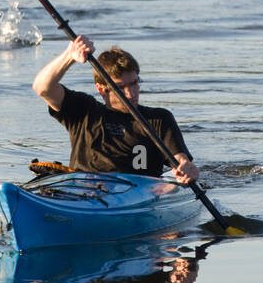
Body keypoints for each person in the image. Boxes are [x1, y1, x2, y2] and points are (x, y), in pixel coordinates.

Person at [32, 35, 199, 186]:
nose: (131, 93)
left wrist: (186, 169)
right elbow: (42, 87)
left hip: (137, 194)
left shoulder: (158, 119)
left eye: (134, 83)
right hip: (82, 191)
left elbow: (180, 159)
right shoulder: (84, 111)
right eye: (120, 87)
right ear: (101, 89)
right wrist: (69, 56)